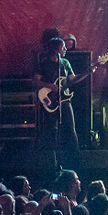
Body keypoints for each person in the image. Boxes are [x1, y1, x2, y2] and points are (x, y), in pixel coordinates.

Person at [34, 37, 79, 169]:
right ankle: (50, 162)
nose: (65, 49)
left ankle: (75, 162)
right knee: (51, 130)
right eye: (63, 47)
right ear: (56, 49)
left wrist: (89, 71)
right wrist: (51, 86)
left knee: (70, 130)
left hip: (65, 100)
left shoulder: (65, 63)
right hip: (50, 101)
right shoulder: (43, 64)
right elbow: (35, 82)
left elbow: (73, 80)